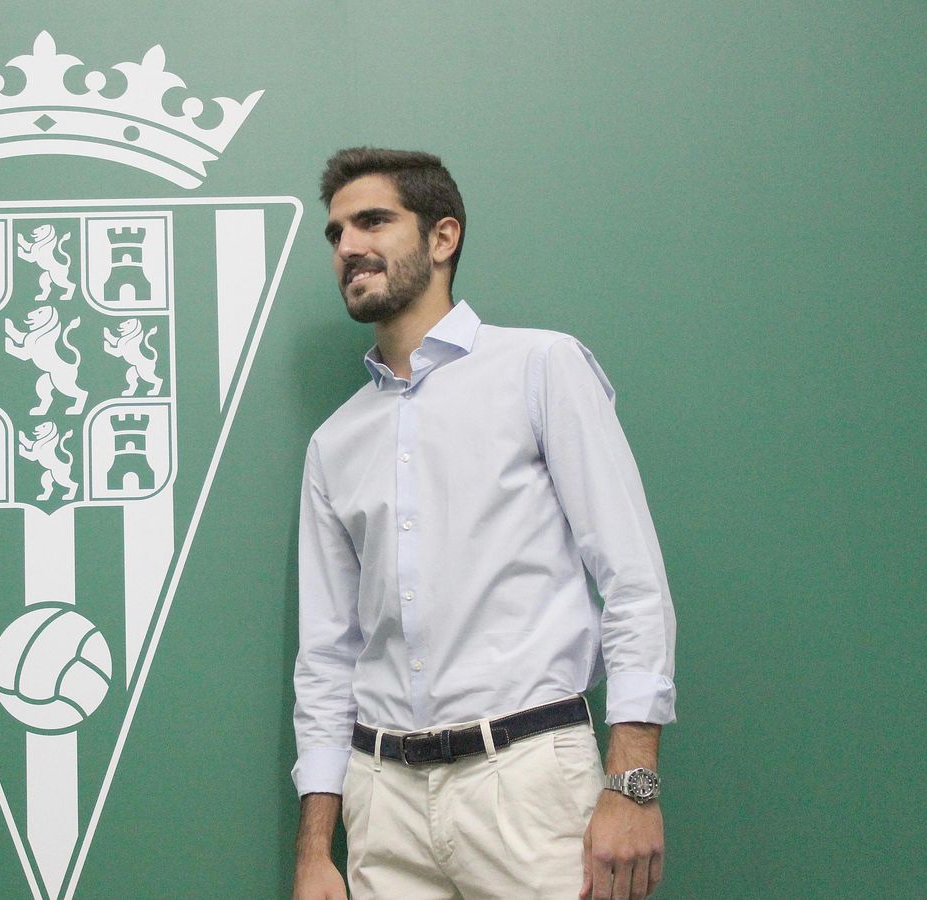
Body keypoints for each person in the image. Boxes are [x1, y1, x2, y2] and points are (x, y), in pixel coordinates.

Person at [291, 147, 677, 900]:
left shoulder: (541, 367)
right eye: (335, 233)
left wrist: (632, 784)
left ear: (443, 238)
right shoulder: (334, 442)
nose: (348, 247)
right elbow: (327, 655)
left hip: (527, 780)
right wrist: (316, 849)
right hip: (383, 803)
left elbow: (631, 582)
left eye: (373, 221)